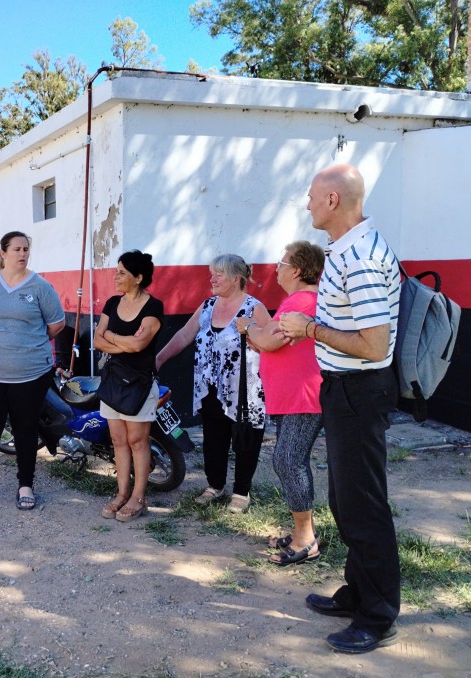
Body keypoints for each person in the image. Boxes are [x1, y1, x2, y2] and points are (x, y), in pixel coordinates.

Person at [279, 164, 401, 654]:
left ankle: (377, 616)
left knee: (363, 504)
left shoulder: (363, 259)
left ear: (332, 200)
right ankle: (359, 593)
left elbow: (374, 345)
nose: (306, 203)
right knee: (345, 498)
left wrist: (310, 331)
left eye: (311, 196)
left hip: (359, 388)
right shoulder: (345, 251)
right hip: (343, 389)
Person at [156, 254, 270, 513]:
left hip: (244, 390)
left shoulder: (254, 307)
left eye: (218, 274)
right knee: (214, 439)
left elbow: (272, 340)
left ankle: (241, 492)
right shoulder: (208, 305)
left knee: (246, 439)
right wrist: (160, 358)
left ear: (236, 279)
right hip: (210, 388)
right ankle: (215, 486)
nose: (212, 278)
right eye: (212, 272)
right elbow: (185, 333)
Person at [236, 241, 324, 566]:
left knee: (288, 461)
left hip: (303, 396)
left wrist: (249, 328)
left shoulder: (302, 300)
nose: (277, 268)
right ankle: (303, 531)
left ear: (297, 269)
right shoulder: (295, 301)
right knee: (289, 460)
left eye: (282, 262)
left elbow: (269, 340)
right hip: (291, 396)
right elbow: (273, 343)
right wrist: (259, 335)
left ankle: (306, 540)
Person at [0, 231, 65, 510]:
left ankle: (25, 485)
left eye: (26, 249)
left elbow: (57, 324)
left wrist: (28, 340)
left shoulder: (41, 287)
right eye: (17, 249)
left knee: (25, 428)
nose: (22, 254)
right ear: (3, 253)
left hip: (30, 372)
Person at [94, 250, 164, 522]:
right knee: (118, 440)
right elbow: (98, 341)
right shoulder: (112, 303)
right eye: (117, 271)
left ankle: (138, 497)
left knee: (137, 440)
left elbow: (140, 345)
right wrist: (119, 339)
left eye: (122, 272)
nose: (116, 277)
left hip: (139, 382)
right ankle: (122, 494)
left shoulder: (153, 307)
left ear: (138, 277)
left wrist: (110, 336)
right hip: (113, 380)